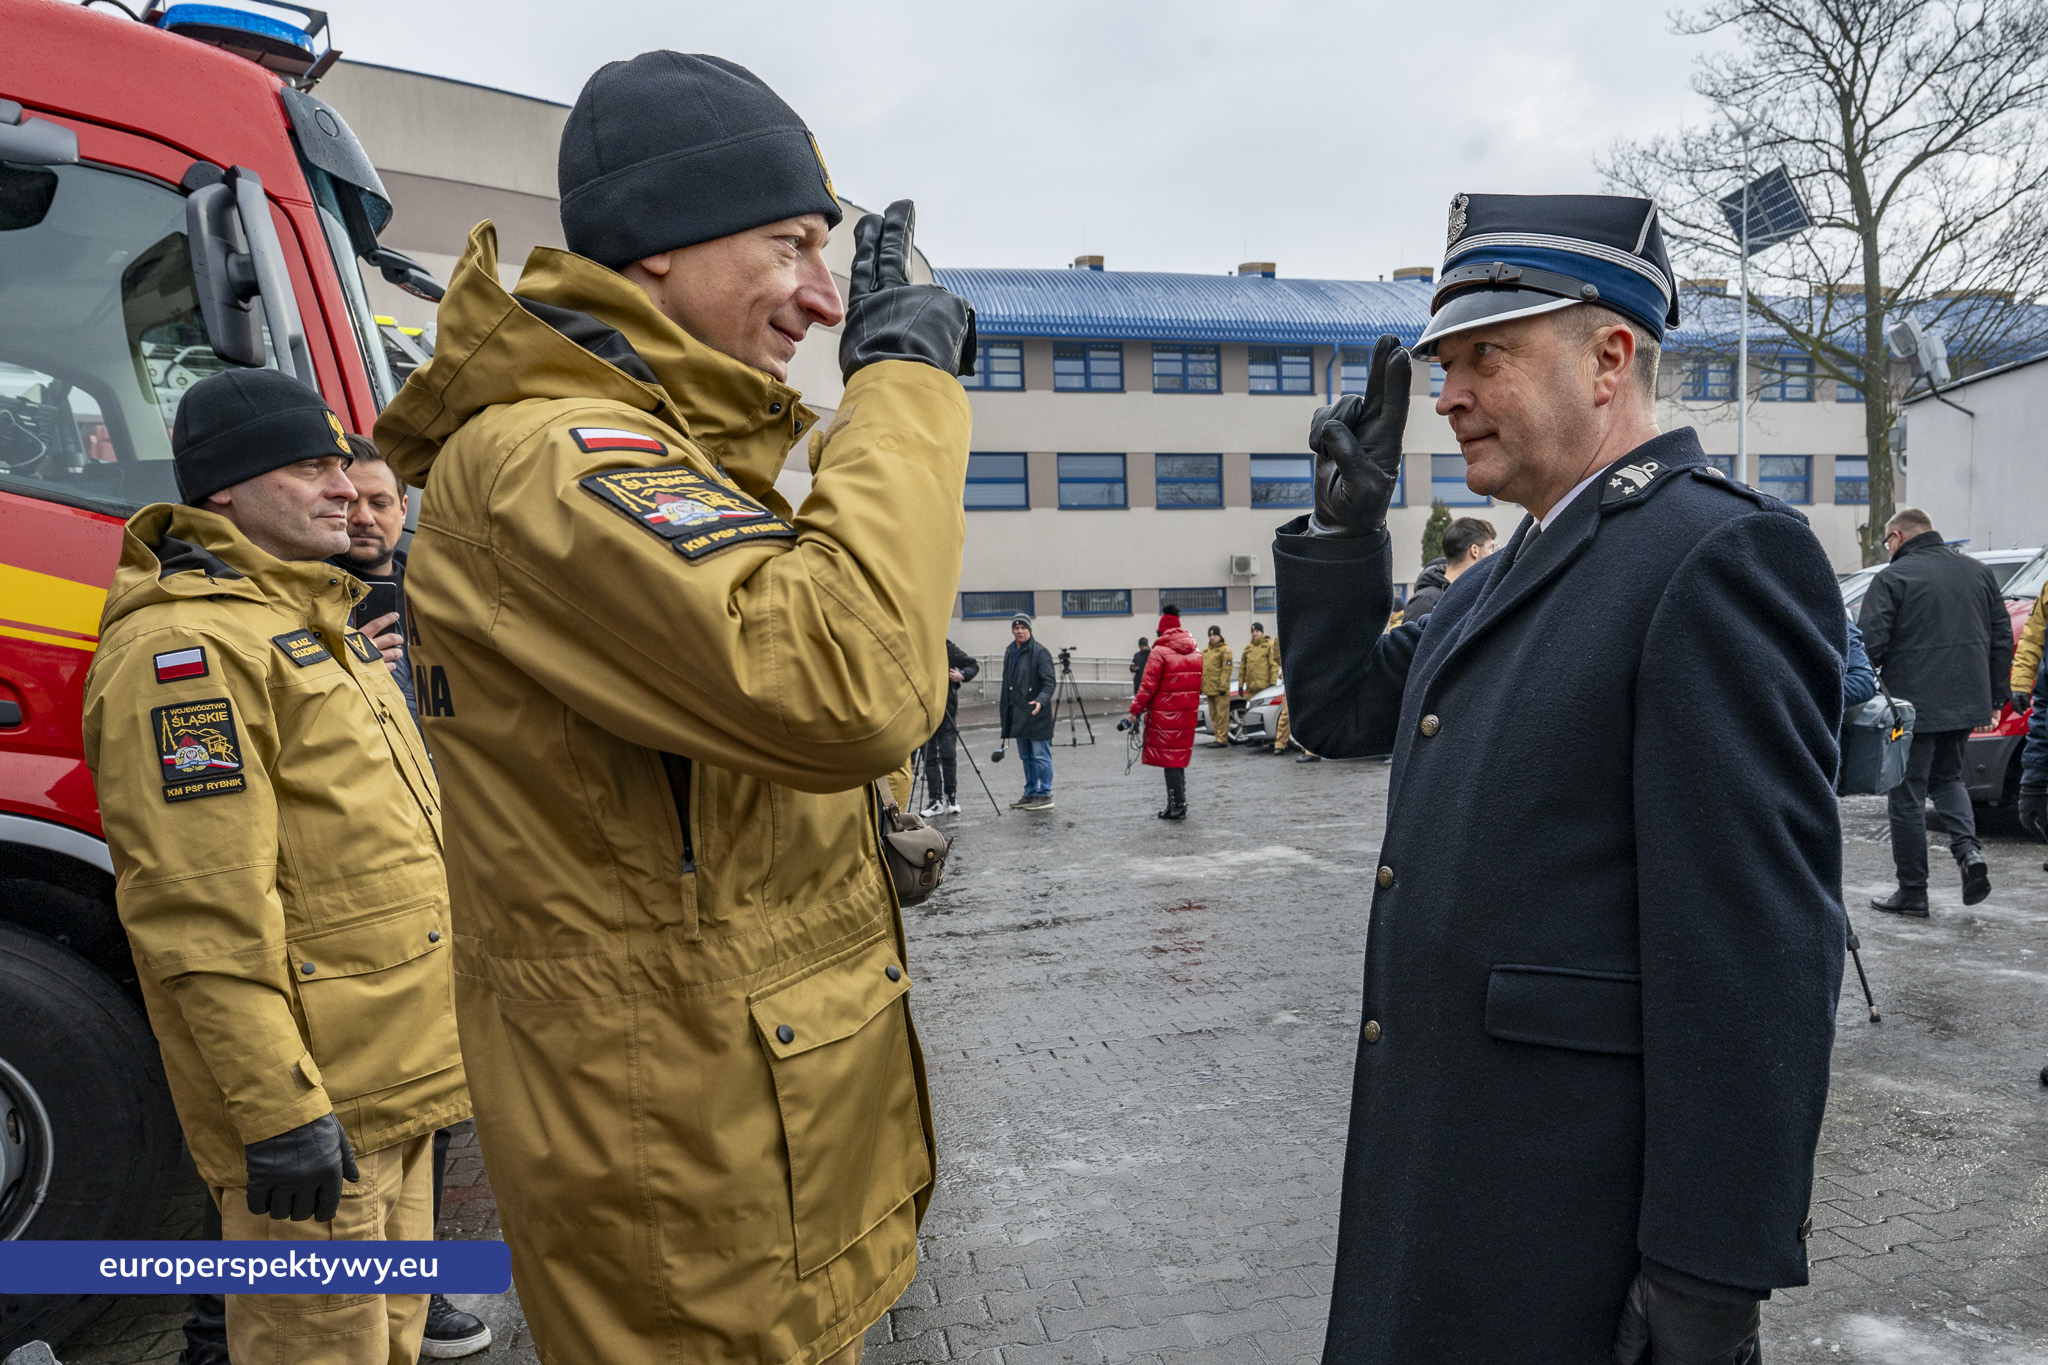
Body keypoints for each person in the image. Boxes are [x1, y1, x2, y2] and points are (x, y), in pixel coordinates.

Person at [374, 51, 975, 1365]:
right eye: (789, 245)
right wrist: (906, 393)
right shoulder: (553, 453)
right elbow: (847, 680)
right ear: (658, 248)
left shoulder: (675, 449)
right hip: (684, 1165)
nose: (822, 296)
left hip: (754, 1143)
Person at [1276, 194, 1846, 1365]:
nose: (1445, 394)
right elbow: (1337, 713)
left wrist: (1707, 1277)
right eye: (1443, 360)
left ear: (1608, 357)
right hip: (1440, 1186)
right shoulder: (1490, 581)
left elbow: (1754, 951)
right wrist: (1343, 534)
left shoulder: (1714, 556)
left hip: (1561, 1231)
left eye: (1488, 352)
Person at [81, 368, 468, 1365]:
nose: (344, 486)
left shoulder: (308, 623)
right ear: (224, 493)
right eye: (309, 468)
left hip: (392, 1084)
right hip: (320, 1109)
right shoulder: (187, 654)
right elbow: (199, 910)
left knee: (388, 1342)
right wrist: (279, 1111)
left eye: (343, 464)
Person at [328, 433, 493, 1360]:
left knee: (430, 1121)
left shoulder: (441, 588)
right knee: (356, 1149)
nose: (364, 518)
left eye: (382, 501)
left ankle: (414, 1294)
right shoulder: (296, 616)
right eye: (348, 499)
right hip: (354, 924)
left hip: (447, 884)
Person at [1859, 507, 2013, 916]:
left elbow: (1869, 642)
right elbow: (2001, 638)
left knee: (1906, 795)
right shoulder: (1978, 573)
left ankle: (1913, 892)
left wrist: (1856, 688)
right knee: (1948, 780)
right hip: (1967, 704)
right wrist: (1996, 699)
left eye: (1887, 541)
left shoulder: (1893, 578)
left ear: (1898, 536)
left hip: (1912, 706)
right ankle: (1969, 854)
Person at [1123, 607, 1203, 818]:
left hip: (1165, 715)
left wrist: (1134, 712)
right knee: (1177, 760)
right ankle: (1177, 804)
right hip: (1186, 715)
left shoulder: (1159, 653)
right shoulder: (1196, 652)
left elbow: (1147, 687)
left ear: (1162, 632)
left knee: (1170, 761)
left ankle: (1177, 807)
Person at [1000, 613, 1057, 810]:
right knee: (1026, 757)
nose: (1019, 631)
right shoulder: (1010, 651)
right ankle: (1031, 792)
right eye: (1016, 628)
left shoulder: (1040, 652)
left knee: (1040, 754)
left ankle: (1045, 793)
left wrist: (1041, 700)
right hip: (1018, 713)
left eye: (1023, 627)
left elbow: (1049, 682)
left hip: (1035, 712)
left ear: (1029, 630)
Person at [920, 639, 979, 817]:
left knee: (948, 754)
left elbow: (972, 665)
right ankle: (935, 800)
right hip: (924, 711)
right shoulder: (917, 644)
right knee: (929, 757)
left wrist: (961, 674)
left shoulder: (945, 645)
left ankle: (951, 798)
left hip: (947, 710)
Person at [1404, 515, 1497, 618]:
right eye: (1490, 548)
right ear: (1474, 550)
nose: (1493, 554)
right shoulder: (1426, 600)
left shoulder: (1476, 595)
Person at [1200, 624, 1234, 746]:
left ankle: (1222, 739)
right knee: (1213, 715)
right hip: (1210, 689)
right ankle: (1217, 737)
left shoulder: (1225, 650)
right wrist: (1201, 687)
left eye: (1214, 635)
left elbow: (1226, 670)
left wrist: (1223, 687)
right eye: (1210, 635)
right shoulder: (1206, 651)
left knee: (1222, 715)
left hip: (1220, 689)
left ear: (1219, 636)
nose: (1212, 637)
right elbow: (1203, 670)